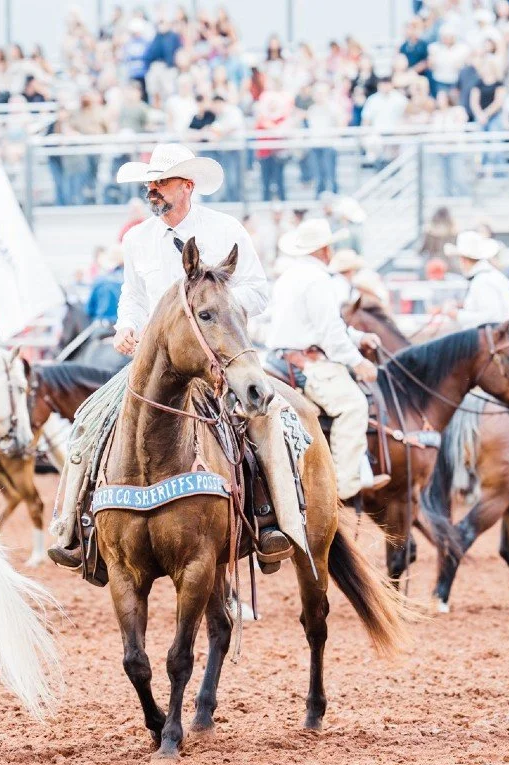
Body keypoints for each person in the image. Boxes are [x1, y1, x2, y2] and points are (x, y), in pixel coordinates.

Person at [49, 143, 278, 570]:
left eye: (162, 182)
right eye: (150, 183)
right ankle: (75, 527)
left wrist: (214, 306)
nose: (153, 190)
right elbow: (132, 296)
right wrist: (126, 326)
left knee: (268, 419)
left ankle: (268, 521)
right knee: (88, 420)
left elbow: (259, 290)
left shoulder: (227, 230)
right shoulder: (138, 239)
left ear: (188, 186)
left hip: (218, 359)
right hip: (152, 364)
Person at [266, 218, 386, 500]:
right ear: (324, 250)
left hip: (281, 356)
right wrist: (358, 361)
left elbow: (314, 326)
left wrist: (356, 338)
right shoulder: (319, 279)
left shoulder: (289, 276)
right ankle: (344, 486)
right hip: (307, 362)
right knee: (353, 405)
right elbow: (329, 333)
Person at [443, 230, 509, 327]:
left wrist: (456, 315)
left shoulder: (482, 280)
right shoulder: (489, 276)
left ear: (463, 259)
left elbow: (490, 317)